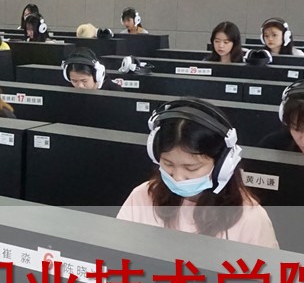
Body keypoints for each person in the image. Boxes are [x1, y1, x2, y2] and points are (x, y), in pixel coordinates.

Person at [117, 99, 277, 248]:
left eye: (191, 168)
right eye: (168, 164)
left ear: (223, 165)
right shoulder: (142, 197)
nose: (178, 177)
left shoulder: (250, 218)